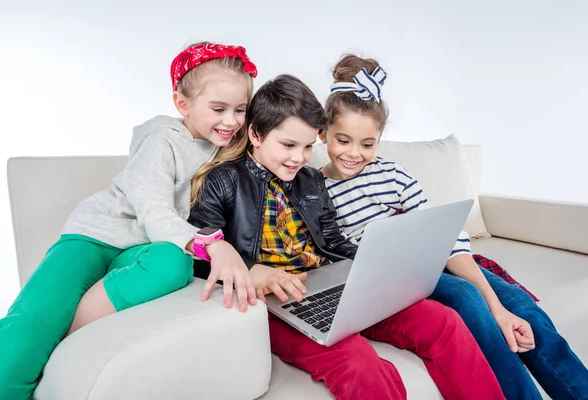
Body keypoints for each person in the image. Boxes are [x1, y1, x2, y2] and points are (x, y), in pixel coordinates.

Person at [188, 74, 506, 400]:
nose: (299, 157)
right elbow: (198, 253)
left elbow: (332, 239)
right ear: (255, 134)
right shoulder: (223, 181)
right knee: (360, 365)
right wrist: (252, 271)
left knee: (445, 322)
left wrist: (372, 261)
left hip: (333, 286)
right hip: (277, 304)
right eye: (288, 145)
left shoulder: (310, 180)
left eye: (309, 146)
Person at [0, 42, 258, 400]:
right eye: (219, 108)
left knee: (174, 263)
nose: (232, 120)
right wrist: (211, 244)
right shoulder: (161, 140)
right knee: (28, 325)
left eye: (240, 110)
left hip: (146, 248)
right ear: (182, 104)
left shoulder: (228, 147)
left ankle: (67, 337)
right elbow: (153, 212)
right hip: (95, 238)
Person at [319, 53, 588, 400]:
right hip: (389, 282)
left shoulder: (393, 176)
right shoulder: (313, 188)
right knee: (466, 296)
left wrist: (499, 307)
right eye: (343, 140)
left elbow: (447, 242)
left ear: (379, 139)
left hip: (432, 263)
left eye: (368, 144)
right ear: (323, 133)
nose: (354, 153)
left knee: (520, 306)